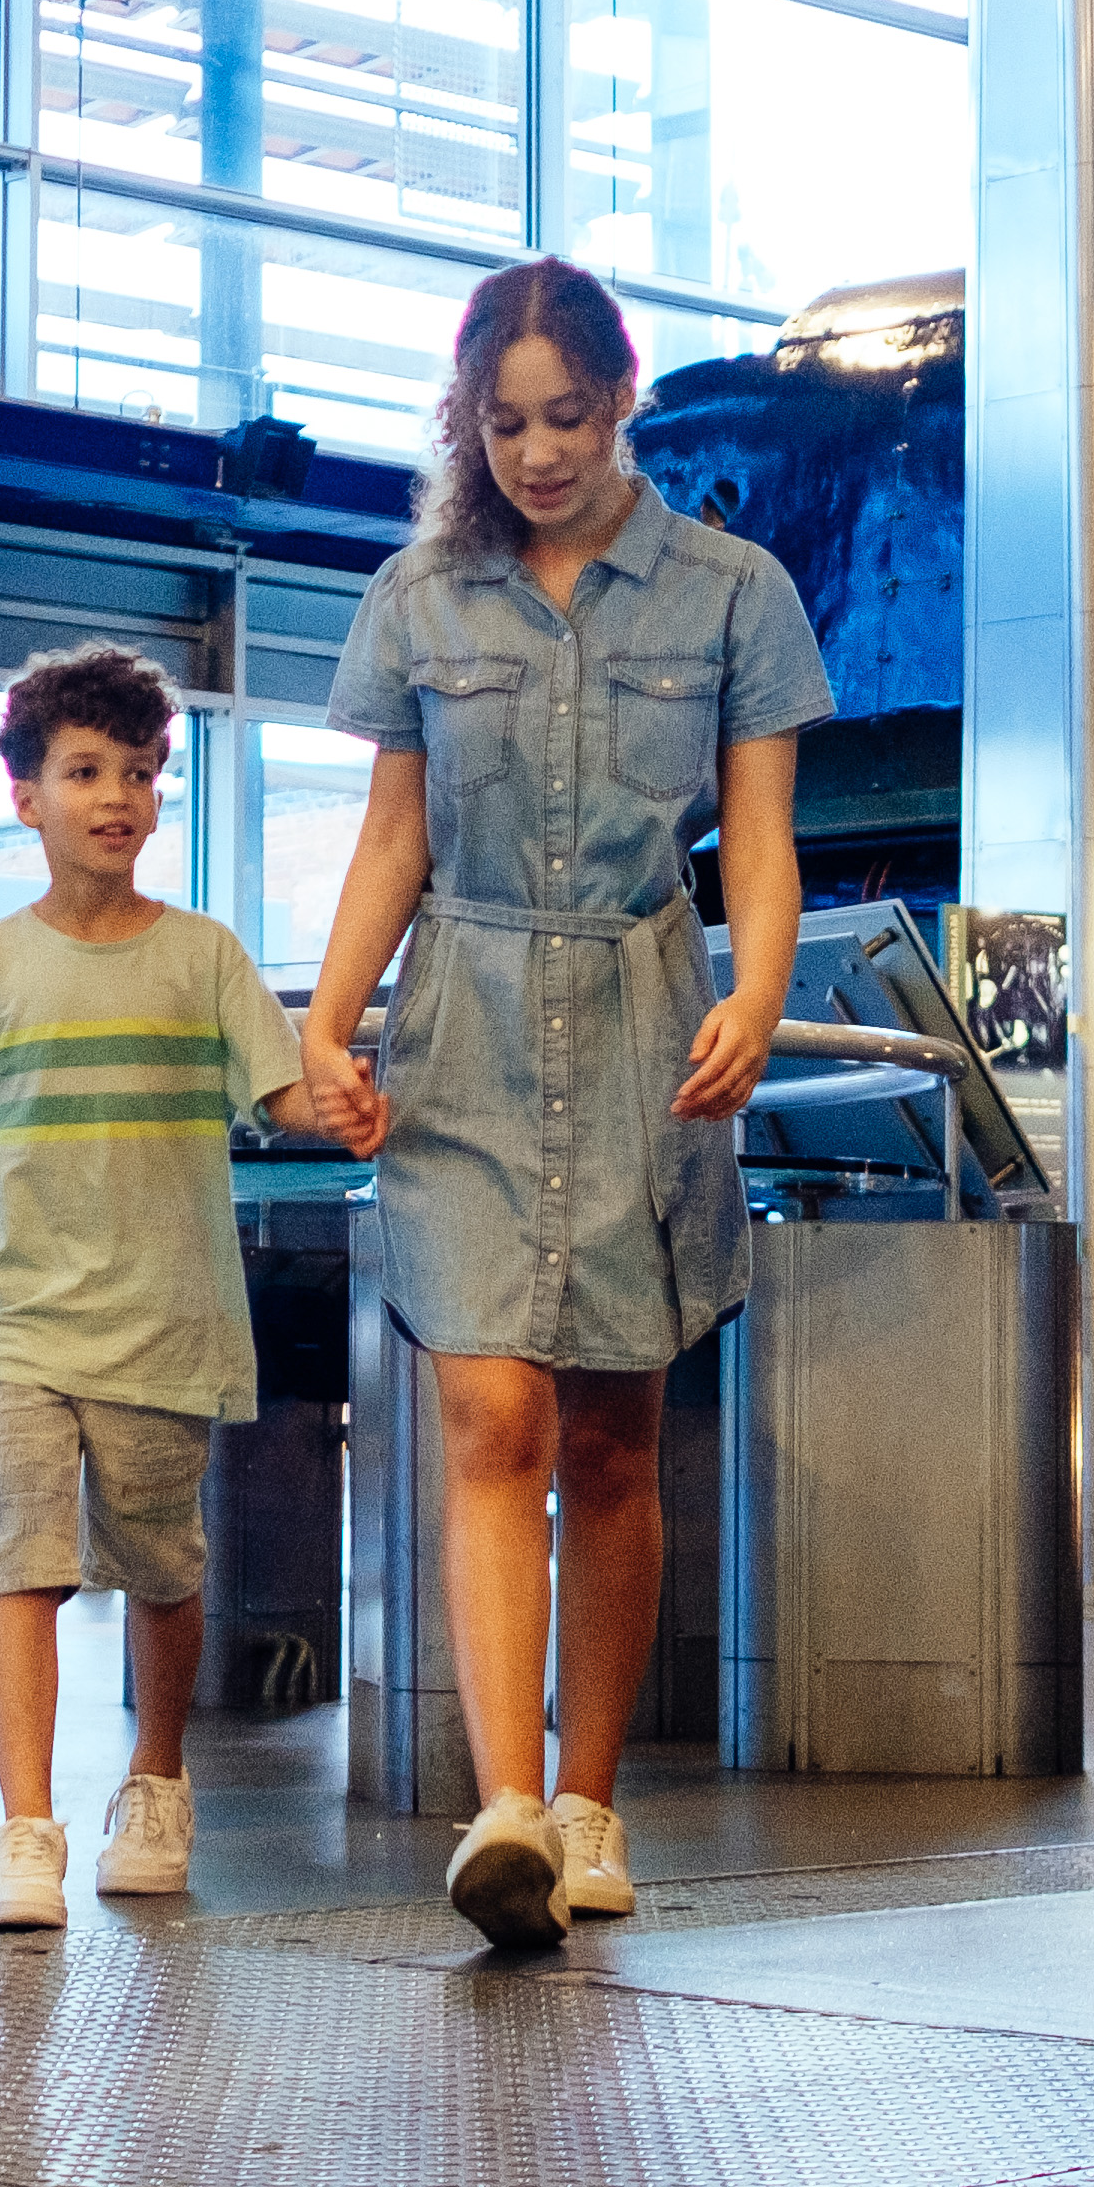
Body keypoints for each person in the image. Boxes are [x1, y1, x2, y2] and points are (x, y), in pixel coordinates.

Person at [288, 257, 826, 1955]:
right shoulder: (422, 595)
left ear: (623, 401)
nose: (534, 453)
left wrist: (755, 991)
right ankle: (501, 1804)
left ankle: (589, 1800)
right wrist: (327, 1025)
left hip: (651, 1019)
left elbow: (756, 835)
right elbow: (393, 839)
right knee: (487, 1425)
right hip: (464, 1025)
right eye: (502, 422)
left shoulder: (735, 591)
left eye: (566, 417)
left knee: (608, 1438)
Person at [0, 641, 358, 1931]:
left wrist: (352, 1105)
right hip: (19, 1320)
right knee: (20, 1562)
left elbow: (283, 1098)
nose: (117, 798)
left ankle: (156, 1780)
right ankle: (25, 1827)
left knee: (162, 1561)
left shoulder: (206, 958)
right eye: (85, 771)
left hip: (167, 1316)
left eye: (142, 775)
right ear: (25, 794)